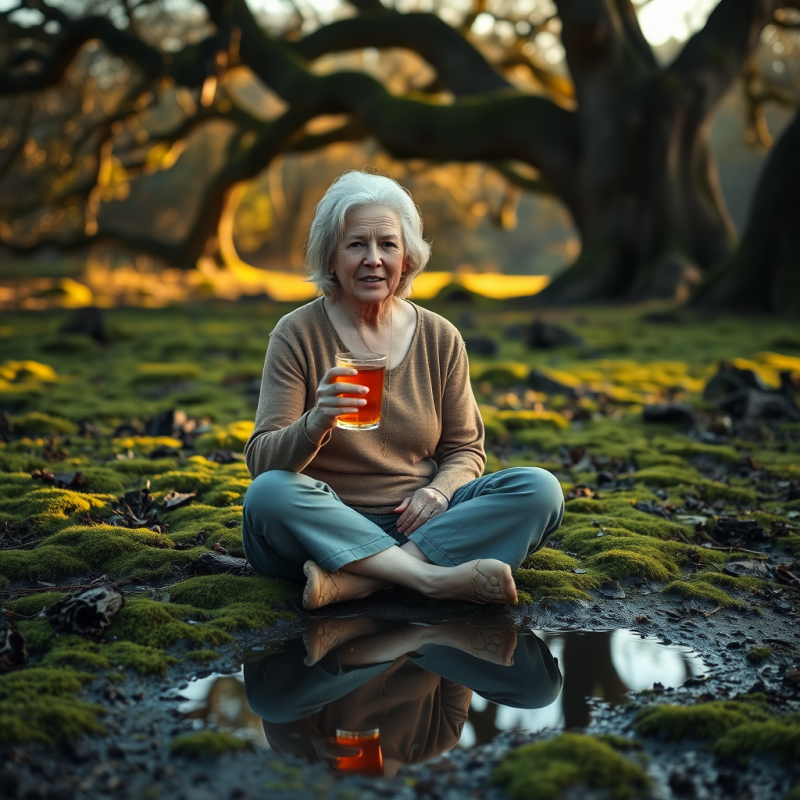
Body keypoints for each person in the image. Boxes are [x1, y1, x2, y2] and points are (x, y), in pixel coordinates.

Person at [242, 171, 564, 610]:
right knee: (268, 495)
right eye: (356, 244)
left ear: (407, 258)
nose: (373, 258)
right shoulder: (296, 334)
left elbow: (466, 449)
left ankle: (357, 582)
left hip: (421, 522)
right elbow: (263, 464)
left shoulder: (439, 337)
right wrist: (316, 421)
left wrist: (439, 491)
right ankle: (432, 580)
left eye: (387, 245)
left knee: (540, 489)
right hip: (326, 524)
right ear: (330, 258)